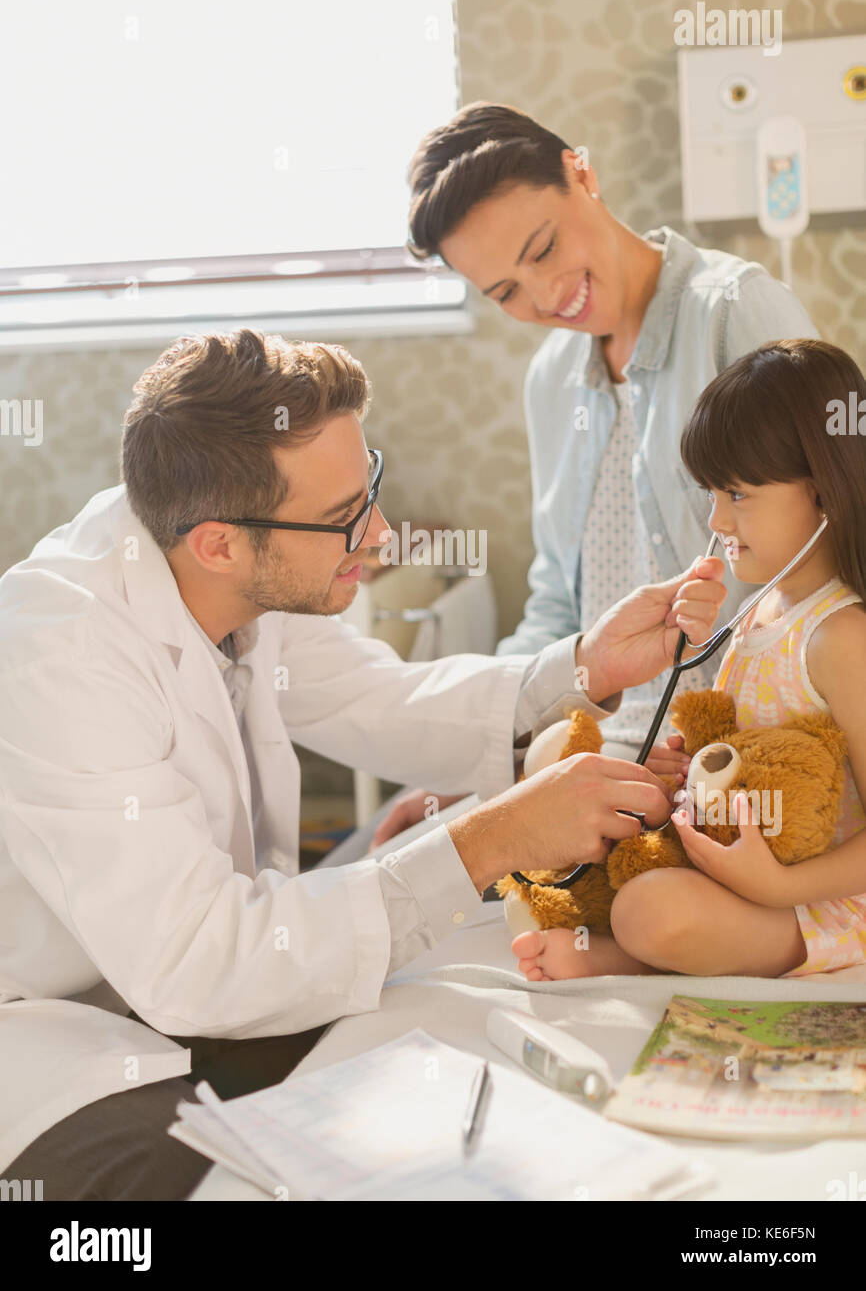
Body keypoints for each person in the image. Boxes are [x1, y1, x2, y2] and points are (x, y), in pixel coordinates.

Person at [0, 328, 726, 1198]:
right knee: (221, 1183)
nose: (379, 535)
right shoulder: (63, 661)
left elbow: (368, 698)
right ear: (220, 544)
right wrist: (482, 843)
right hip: (55, 1028)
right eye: (345, 517)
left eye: (367, 486)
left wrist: (578, 670)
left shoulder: (230, 560)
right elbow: (200, 960)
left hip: (185, 979)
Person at [371, 100, 818, 849]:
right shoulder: (552, 383)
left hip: (730, 751)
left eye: (542, 249)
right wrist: (473, 764)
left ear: (582, 172)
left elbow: (825, 556)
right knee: (415, 855)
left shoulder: (733, 315)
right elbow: (556, 602)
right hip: (602, 760)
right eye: (507, 293)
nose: (546, 298)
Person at [511, 339, 866, 982]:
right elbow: (738, 747)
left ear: (821, 493)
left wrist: (779, 888)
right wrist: (680, 767)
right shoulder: (758, 611)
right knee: (554, 754)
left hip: (817, 895)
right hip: (733, 860)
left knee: (652, 909)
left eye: (737, 494)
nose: (715, 518)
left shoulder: (841, 637)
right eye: (711, 493)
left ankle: (624, 954)